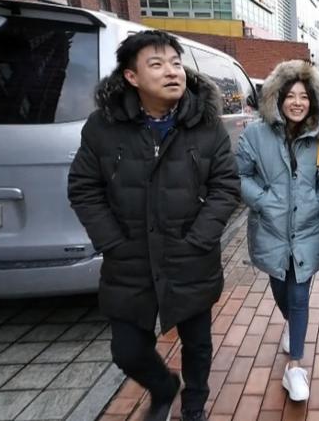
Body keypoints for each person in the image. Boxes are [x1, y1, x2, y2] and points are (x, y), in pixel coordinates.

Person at [67, 31, 240, 421]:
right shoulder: (104, 126)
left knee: (197, 342)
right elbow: (83, 187)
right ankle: (164, 386)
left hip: (190, 255)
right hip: (129, 258)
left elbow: (225, 186)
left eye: (176, 63)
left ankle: (194, 403)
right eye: (157, 64)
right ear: (131, 77)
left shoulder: (206, 125)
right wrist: (111, 240)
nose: (171, 72)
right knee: (126, 349)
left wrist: (201, 237)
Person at [235, 60, 319, 403]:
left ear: (314, 101)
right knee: (280, 290)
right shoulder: (255, 134)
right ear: (277, 98)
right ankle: (291, 328)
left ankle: (296, 366)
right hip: (270, 228)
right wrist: (263, 200)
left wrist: (317, 202)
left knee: (298, 295)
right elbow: (239, 175)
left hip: (306, 230)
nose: (297, 102)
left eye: (304, 96)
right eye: (290, 95)